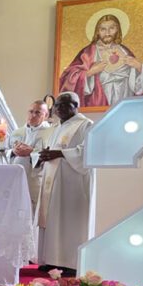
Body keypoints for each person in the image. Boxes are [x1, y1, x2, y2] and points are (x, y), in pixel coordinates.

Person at [36, 92, 93, 275]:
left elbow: (88, 152)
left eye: (65, 104)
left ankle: (70, 263)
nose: (60, 108)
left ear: (76, 106)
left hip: (73, 183)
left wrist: (60, 153)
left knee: (70, 221)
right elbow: (52, 150)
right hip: (54, 182)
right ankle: (51, 260)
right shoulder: (57, 127)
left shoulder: (86, 125)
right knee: (53, 219)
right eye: (57, 105)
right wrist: (45, 155)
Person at [59, 14, 143, 108]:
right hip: (97, 104)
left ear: (117, 29)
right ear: (97, 31)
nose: (107, 33)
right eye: (103, 29)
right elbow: (68, 78)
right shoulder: (87, 53)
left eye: (111, 28)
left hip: (124, 101)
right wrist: (90, 73)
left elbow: (139, 88)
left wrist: (139, 67)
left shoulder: (125, 51)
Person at [9, 101, 54, 206]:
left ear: (46, 115)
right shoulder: (17, 132)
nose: (33, 115)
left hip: (37, 180)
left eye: (37, 113)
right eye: (31, 111)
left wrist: (31, 152)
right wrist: (13, 152)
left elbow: (51, 155)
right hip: (15, 179)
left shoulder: (51, 133)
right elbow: (3, 152)